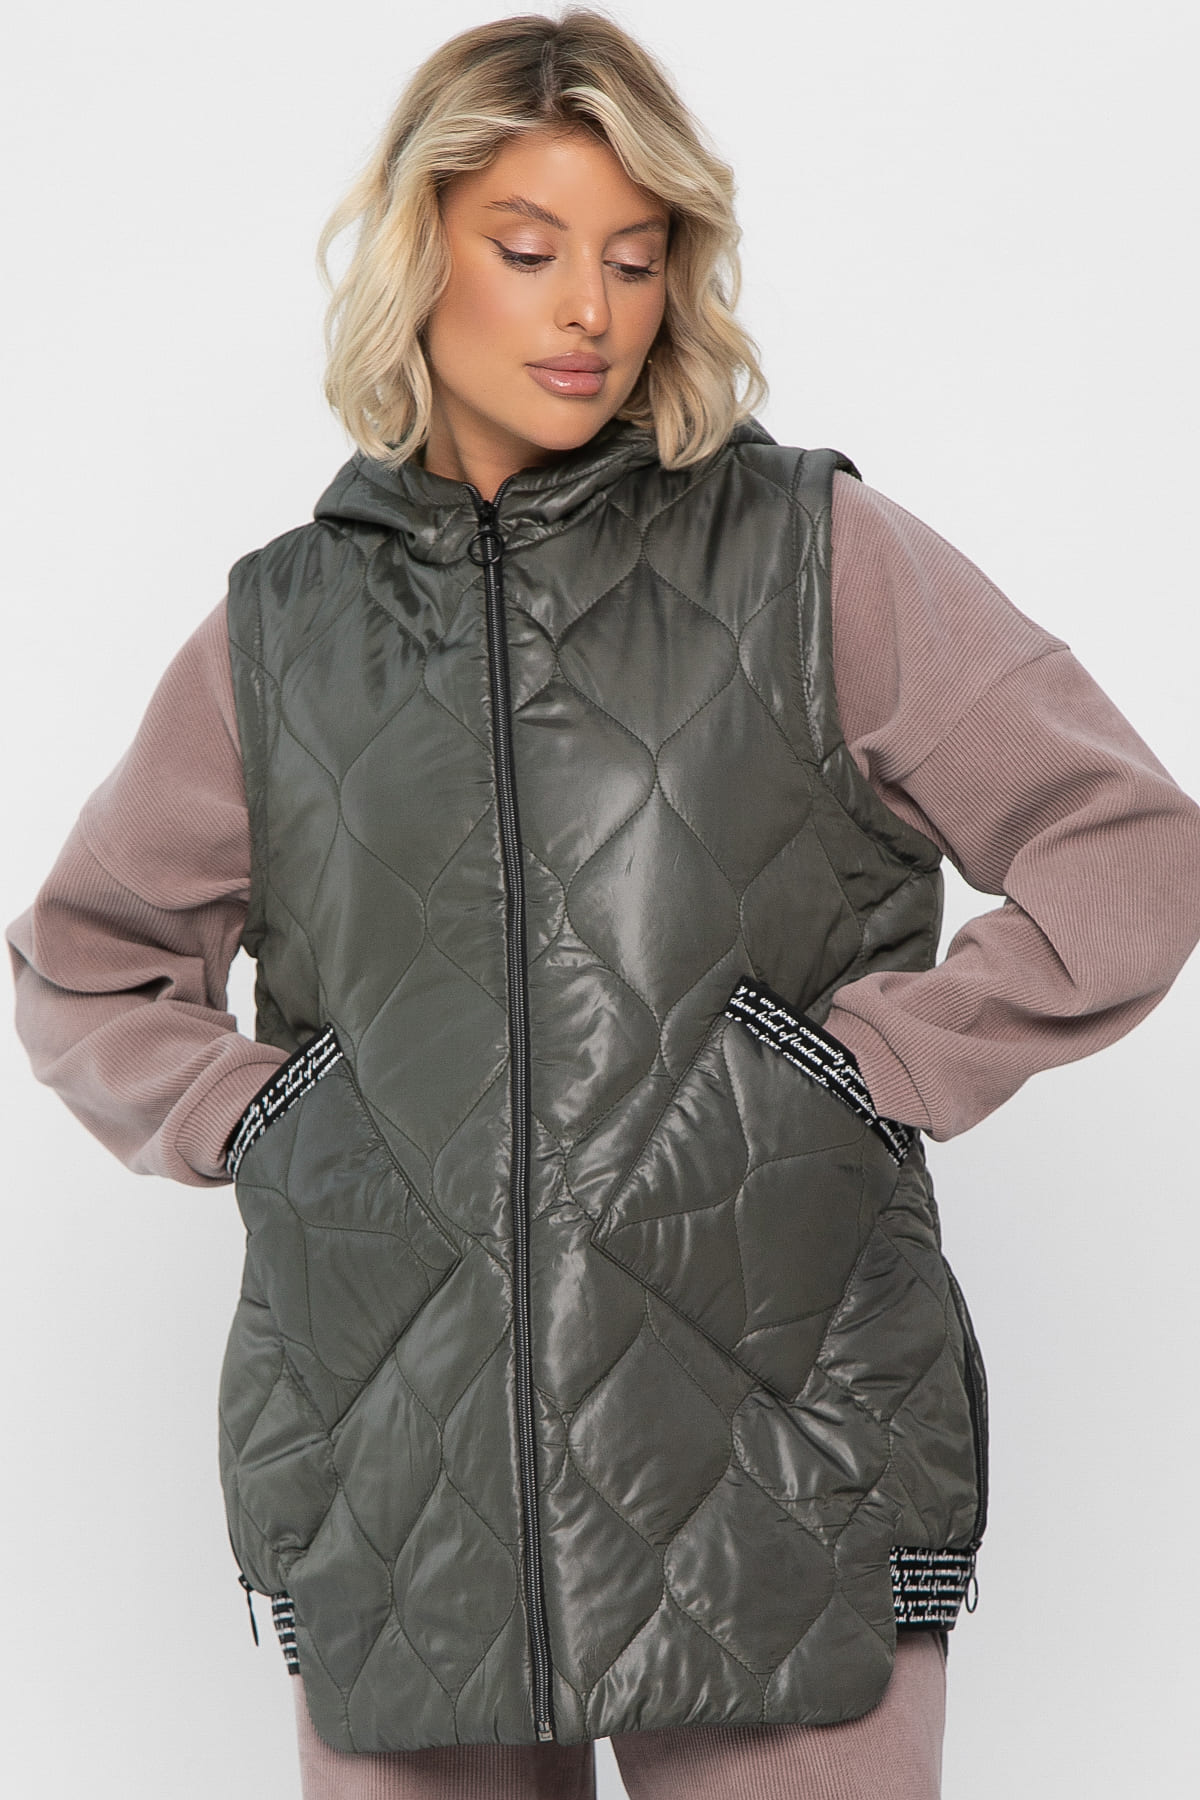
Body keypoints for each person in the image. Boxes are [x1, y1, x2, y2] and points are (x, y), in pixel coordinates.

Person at [8, 10, 1200, 1799]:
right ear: (418, 253)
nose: (590, 310)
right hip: (405, 1484)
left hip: (778, 1452)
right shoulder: (282, 634)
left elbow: (1127, 845)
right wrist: (268, 1121)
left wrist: (868, 1066)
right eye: (529, 249)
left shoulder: (813, 557)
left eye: (635, 260)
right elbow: (85, 966)